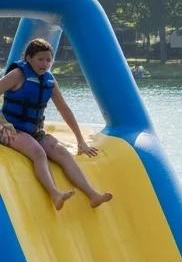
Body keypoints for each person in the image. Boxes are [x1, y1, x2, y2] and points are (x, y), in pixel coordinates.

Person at [0, 37, 112, 211]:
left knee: (61, 151)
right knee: (38, 152)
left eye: (48, 59)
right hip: (10, 130)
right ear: (29, 58)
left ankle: (92, 195)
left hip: (35, 131)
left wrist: (80, 141)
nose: (45, 64)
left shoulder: (49, 81)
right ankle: (54, 193)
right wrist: (3, 123)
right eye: (40, 59)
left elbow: (65, 110)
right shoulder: (18, 75)